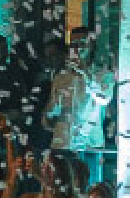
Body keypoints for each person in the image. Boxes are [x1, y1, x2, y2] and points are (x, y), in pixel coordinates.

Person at [44, 26, 116, 185]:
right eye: (73, 44)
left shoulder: (104, 74)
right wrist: (49, 115)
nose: (77, 48)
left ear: (92, 45)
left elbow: (104, 98)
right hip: (62, 142)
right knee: (61, 191)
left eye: (82, 43)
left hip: (89, 144)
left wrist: (85, 73)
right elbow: (50, 110)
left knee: (90, 189)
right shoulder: (61, 76)